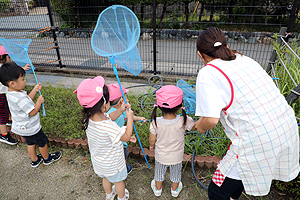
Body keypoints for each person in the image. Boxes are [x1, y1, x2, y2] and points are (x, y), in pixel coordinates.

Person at [194, 27, 299, 199]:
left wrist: (199, 125)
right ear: (226, 46)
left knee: (217, 190)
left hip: (256, 140)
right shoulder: (245, 59)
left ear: (200, 55)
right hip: (284, 126)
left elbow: (211, 120)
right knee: (238, 180)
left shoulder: (209, 72)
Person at [74, 76, 134, 200]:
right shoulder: (108, 127)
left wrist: (121, 109)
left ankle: (109, 195)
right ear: (103, 104)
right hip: (114, 163)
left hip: (100, 162)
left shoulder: (90, 119)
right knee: (119, 182)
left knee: (106, 178)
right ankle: (122, 198)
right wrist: (130, 117)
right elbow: (127, 137)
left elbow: (109, 116)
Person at [0, 63, 62, 167]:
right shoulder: (19, 97)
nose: (25, 81)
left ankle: (35, 160)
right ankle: (47, 159)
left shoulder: (11, 93)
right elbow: (32, 111)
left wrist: (34, 90)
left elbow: (26, 103)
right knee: (42, 142)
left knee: (30, 143)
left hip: (21, 128)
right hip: (31, 128)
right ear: (12, 83)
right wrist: (39, 101)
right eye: (23, 79)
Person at [149, 85, 195, 197]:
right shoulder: (184, 120)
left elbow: (152, 139)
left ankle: (157, 189)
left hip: (161, 155)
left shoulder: (156, 122)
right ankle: (174, 191)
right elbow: (193, 126)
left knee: (159, 173)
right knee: (176, 174)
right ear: (180, 106)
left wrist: (151, 146)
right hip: (177, 156)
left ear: (160, 107)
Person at [107, 83, 146, 174]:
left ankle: (116, 170)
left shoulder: (120, 111)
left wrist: (139, 118)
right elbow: (119, 134)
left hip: (116, 142)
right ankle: (122, 171)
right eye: (126, 97)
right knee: (122, 157)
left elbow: (129, 117)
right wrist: (127, 137)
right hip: (118, 145)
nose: (128, 99)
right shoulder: (117, 117)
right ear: (121, 101)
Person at [0, 46, 30, 145]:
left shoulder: (3, 67)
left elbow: (11, 73)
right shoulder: (2, 68)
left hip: (2, 94)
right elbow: (10, 74)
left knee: (7, 108)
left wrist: (22, 69)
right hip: (0, 96)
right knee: (2, 116)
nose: (10, 58)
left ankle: (9, 119)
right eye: (9, 56)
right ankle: (3, 135)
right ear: (2, 57)